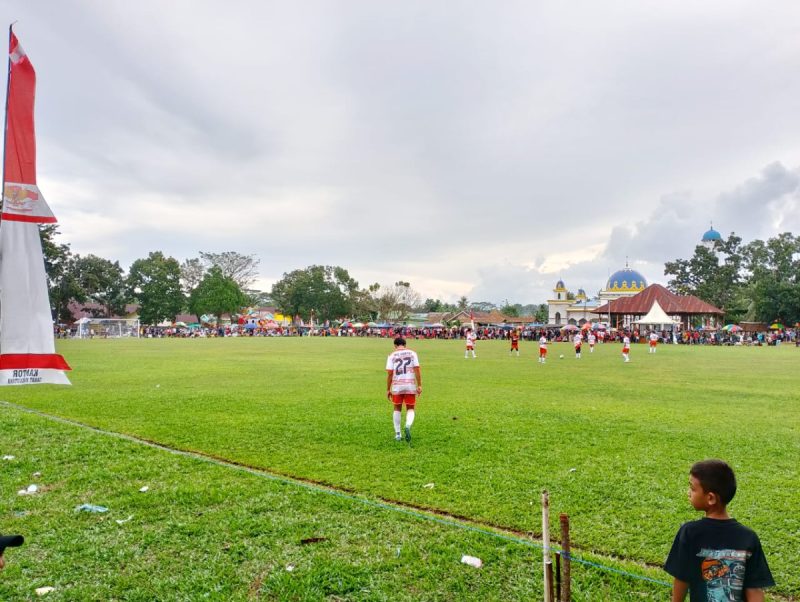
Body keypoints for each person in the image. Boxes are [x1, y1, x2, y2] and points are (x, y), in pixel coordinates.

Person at [664, 459, 774, 601]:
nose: (688, 493)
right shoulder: (748, 537)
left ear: (710, 498)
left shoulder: (689, 532)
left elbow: (681, 579)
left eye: (692, 488)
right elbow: (754, 589)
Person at [385, 336, 422, 442]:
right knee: (410, 408)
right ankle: (407, 425)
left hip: (397, 386)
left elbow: (390, 374)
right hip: (410, 385)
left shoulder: (391, 355)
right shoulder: (413, 353)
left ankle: (398, 434)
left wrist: (388, 389)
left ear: (395, 346)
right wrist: (419, 385)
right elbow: (417, 370)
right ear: (405, 345)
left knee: (397, 408)